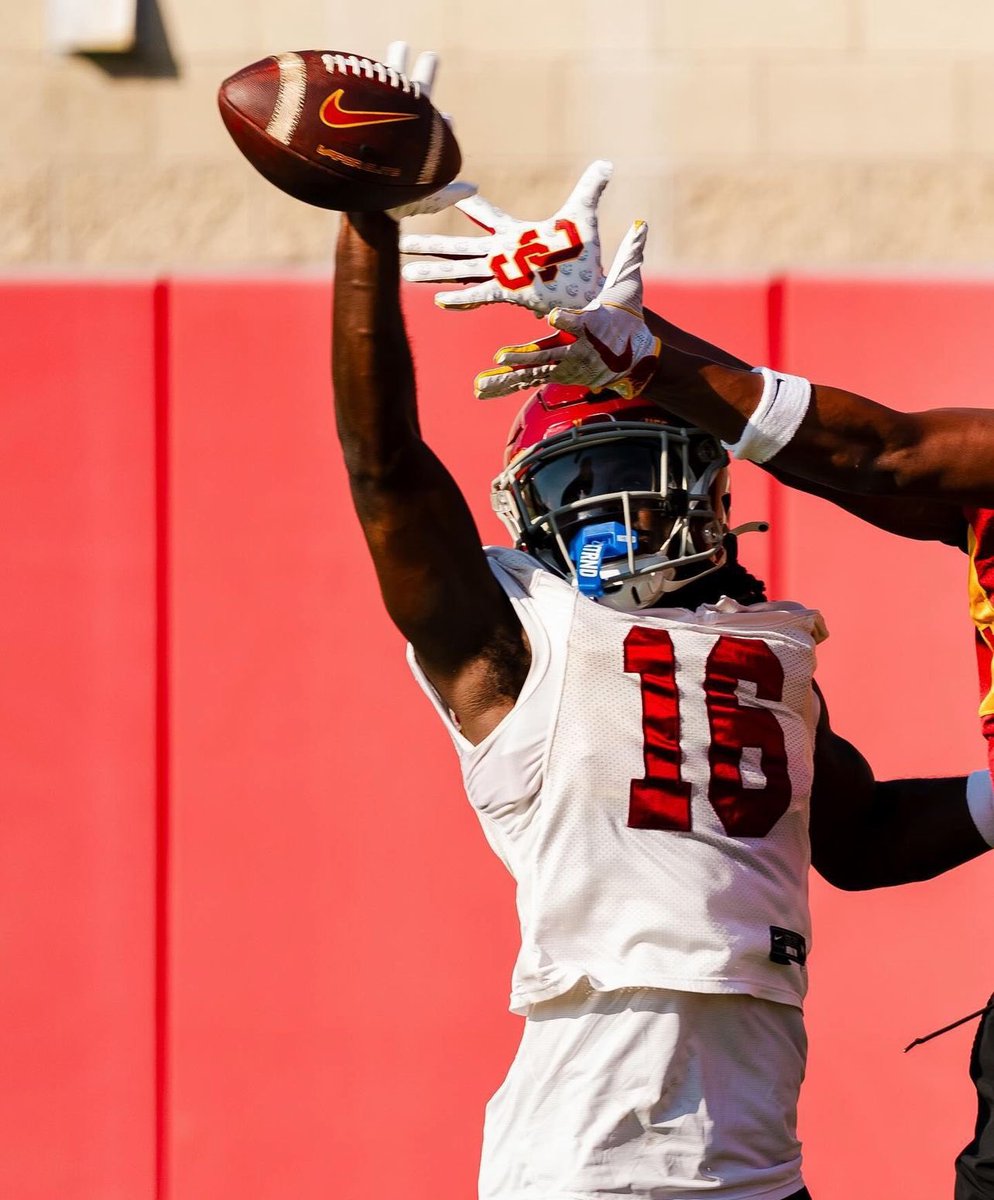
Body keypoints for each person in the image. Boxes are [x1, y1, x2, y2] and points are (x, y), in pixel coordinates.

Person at [333, 141, 991, 1193]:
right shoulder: (516, 642)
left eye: (641, 468)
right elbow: (385, 466)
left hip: (758, 1155)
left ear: (710, 484)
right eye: (587, 479)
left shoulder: (770, 649)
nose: (620, 503)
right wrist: (365, 221)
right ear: (531, 508)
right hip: (591, 1148)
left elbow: (859, 839)